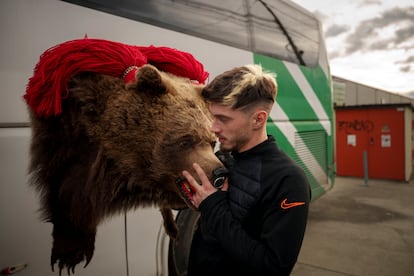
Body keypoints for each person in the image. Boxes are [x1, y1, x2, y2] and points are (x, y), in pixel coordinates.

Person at [181, 64, 311, 275]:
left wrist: (212, 206)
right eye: (213, 117)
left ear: (258, 119)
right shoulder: (222, 158)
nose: (213, 127)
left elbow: (274, 266)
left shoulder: (289, 180)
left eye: (223, 119)